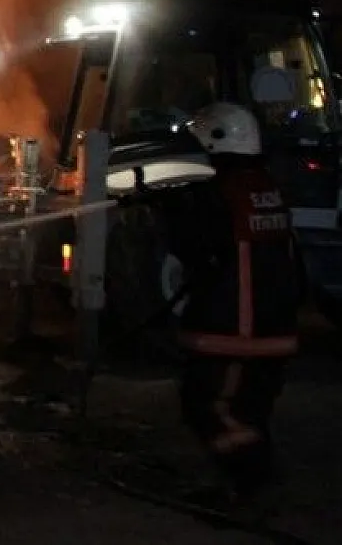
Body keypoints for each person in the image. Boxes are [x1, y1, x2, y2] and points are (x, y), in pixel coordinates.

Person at [161, 101, 301, 510]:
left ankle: (248, 479)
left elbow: (192, 246)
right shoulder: (264, 186)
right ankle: (250, 478)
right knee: (251, 406)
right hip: (275, 328)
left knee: (207, 405)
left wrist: (169, 208)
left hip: (233, 332)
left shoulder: (218, 193)